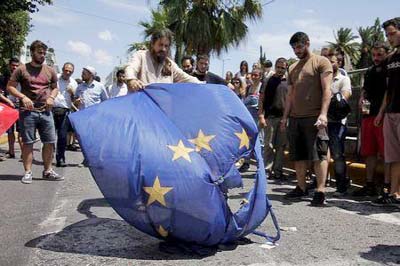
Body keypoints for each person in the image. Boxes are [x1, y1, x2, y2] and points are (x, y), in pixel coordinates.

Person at [281, 32, 332, 206]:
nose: (297, 50)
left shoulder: (321, 62)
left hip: (315, 117)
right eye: (294, 48)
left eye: (300, 47)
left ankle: (320, 190)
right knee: (298, 155)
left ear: (307, 43)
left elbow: (327, 90)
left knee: (319, 154)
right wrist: (284, 118)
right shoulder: (292, 67)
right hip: (295, 118)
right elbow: (290, 95)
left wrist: (323, 114)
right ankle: (301, 187)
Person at [7, 40, 63, 184]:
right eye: (40, 52)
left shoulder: (50, 70)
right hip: (28, 112)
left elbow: (55, 88)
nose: (43, 55)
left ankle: (48, 171)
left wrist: (51, 97)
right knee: (28, 142)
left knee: (50, 141)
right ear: (32, 53)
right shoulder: (21, 69)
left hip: (46, 111)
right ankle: (27, 172)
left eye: (44, 53)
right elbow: (11, 87)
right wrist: (22, 97)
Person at [353, 42, 390, 198]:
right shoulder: (370, 71)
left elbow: (389, 92)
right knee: (369, 152)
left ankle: (387, 186)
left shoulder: (390, 70)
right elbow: (365, 89)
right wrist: (361, 98)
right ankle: (369, 184)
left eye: (379, 55)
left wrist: (381, 113)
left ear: (387, 53)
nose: (376, 58)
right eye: (374, 55)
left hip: (384, 116)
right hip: (368, 115)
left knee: (386, 153)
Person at [372, 17, 400, 206]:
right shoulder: (391, 59)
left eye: (392, 34)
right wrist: (381, 112)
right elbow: (388, 90)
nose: (389, 38)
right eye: (387, 35)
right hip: (391, 112)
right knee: (394, 156)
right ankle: (394, 194)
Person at [125, 29, 200, 91]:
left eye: (166, 46)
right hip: (142, 106)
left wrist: (204, 86)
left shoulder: (170, 64)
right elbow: (131, 68)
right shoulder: (141, 56)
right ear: (152, 44)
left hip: (162, 107)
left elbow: (186, 78)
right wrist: (132, 80)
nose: (163, 49)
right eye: (160, 45)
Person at [259, 58, 288, 180]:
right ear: (275, 67)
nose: (280, 69)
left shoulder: (289, 81)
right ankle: (267, 170)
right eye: (278, 67)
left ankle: (278, 171)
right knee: (268, 145)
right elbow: (261, 98)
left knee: (281, 146)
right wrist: (261, 115)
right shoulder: (267, 80)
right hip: (270, 117)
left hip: (284, 118)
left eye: (283, 67)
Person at [326, 55, 352, 196]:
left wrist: (331, 99)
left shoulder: (343, 79)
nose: (329, 64)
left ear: (339, 63)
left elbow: (344, 98)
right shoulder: (323, 79)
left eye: (332, 61)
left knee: (337, 154)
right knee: (321, 154)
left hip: (337, 123)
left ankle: (341, 185)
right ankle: (320, 183)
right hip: (324, 121)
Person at [53, 62, 78, 167]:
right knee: (49, 137)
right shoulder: (55, 78)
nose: (67, 72)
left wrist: (72, 93)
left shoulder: (74, 83)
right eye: (66, 70)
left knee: (62, 137)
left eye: (70, 71)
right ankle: (48, 159)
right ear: (62, 69)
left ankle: (60, 159)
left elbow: (75, 101)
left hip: (65, 111)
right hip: (52, 109)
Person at [239, 68, 263, 172]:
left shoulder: (262, 87)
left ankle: (260, 163)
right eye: (252, 75)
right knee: (247, 140)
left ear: (260, 76)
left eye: (256, 75)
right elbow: (243, 102)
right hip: (249, 117)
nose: (254, 77)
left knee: (261, 141)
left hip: (259, 116)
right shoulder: (248, 88)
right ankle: (246, 162)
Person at [0, 57, 22, 159]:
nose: (14, 67)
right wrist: (8, 101)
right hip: (8, 107)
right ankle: (11, 151)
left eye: (17, 66)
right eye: (13, 65)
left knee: (21, 131)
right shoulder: (3, 78)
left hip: (21, 107)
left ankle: (24, 153)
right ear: (9, 66)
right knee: (10, 131)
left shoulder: (23, 78)